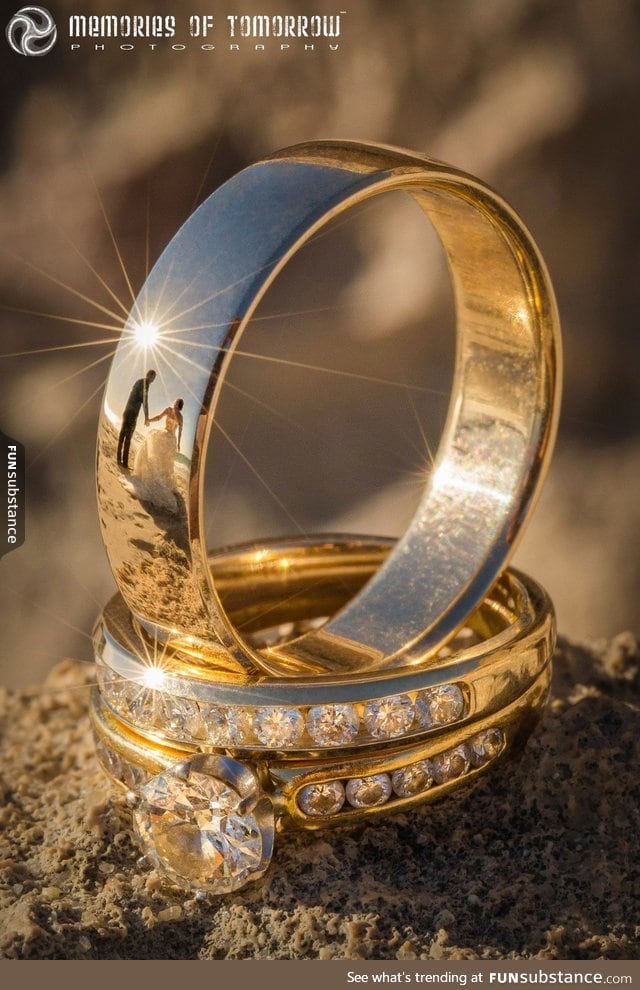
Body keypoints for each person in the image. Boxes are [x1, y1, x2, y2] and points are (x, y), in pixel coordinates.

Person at [127, 399, 184, 513]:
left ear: (178, 405)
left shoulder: (177, 415)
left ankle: (160, 479)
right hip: (165, 436)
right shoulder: (171, 411)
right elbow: (159, 417)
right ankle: (152, 475)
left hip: (170, 440)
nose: (175, 405)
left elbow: (179, 429)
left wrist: (178, 443)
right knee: (153, 450)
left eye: (176, 404)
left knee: (165, 463)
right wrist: (149, 420)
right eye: (175, 403)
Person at [117, 369, 156, 469]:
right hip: (132, 414)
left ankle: (118, 459)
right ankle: (124, 463)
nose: (153, 380)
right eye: (152, 377)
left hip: (127, 411)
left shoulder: (139, 381)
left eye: (154, 378)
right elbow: (145, 402)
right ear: (148, 375)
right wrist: (147, 417)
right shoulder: (145, 384)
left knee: (122, 434)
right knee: (128, 437)